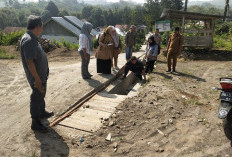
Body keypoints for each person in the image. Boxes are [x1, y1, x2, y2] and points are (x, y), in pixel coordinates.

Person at [20, 15, 53, 133]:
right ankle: (35, 122)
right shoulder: (29, 40)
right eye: (42, 25)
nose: (42, 28)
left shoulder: (33, 37)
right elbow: (30, 62)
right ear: (38, 26)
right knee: (36, 96)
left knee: (41, 94)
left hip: (40, 75)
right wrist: (37, 79)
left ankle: (42, 112)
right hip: (36, 77)